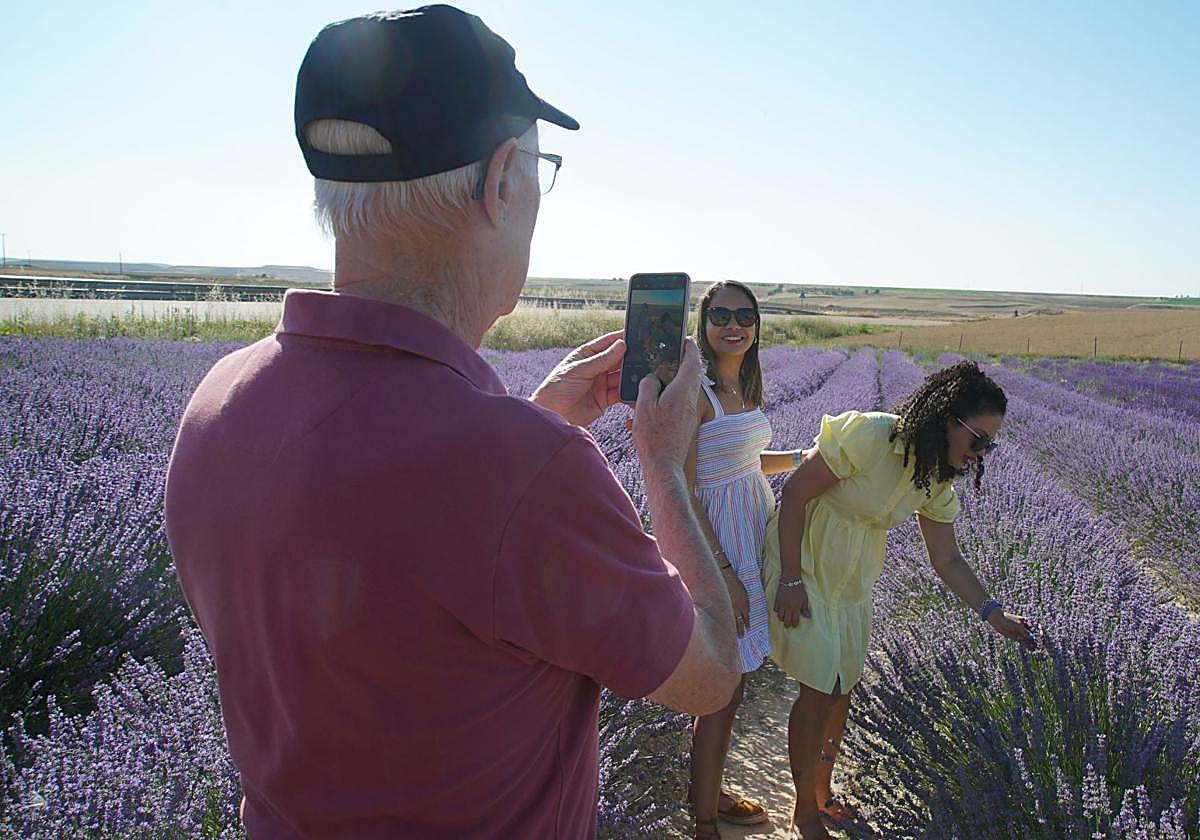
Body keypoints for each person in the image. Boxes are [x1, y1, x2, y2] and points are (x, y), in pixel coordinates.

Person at [164, 8, 739, 838]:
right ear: (500, 180)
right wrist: (665, 463)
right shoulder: (523, 475)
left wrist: (531, 423)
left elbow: (407, 574)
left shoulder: (218, 402)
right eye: (540, 168)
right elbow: (712, 672)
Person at [761, 360, 1040, 840]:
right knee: (819, 687)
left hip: (852, 578)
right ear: (947, 419)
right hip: (803, 558)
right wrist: (789, 580)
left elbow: (947, 559)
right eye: (979, 439)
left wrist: (992, 613)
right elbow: (795, 494)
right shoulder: (872, 436)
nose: (983, 452)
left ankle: (821, 792)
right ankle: (804, 814)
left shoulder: (935, 478)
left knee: (843, 686)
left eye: (990, 444)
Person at [684, 281, 807, 838]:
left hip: (750, 536)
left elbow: (749, 463)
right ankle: (704, 820)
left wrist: (809, 459)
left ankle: (710, 791)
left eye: (745, 315)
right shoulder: (694, 390)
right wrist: (725, 575)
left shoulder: (743, 384)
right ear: (704, 321)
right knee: (722, 688)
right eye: (721, 314)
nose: (734, 325)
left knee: (730, 684)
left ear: (757, 325)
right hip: (717, 549)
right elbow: (684, 490)